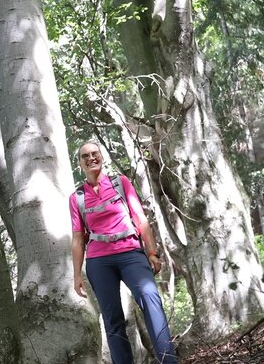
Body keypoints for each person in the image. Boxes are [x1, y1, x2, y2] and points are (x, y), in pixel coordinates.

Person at [69, 140, 178, 364]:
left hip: (130, 253)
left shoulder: (120, 182)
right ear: (79, 163)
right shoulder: (77, 197)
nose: (91, 158)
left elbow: (140, 218)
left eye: (94, 153)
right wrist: (77, 274)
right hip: (99, 261)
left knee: (150, 298)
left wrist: (152, 252)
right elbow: (78, 238)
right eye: (85, 156)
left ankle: (168, 360)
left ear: (102, 156)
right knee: (113, 320)